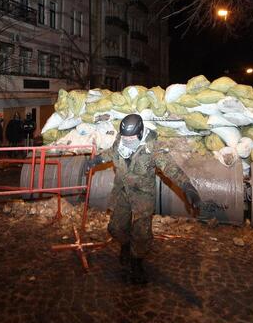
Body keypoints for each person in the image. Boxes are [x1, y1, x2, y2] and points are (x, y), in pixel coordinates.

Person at [84, 114, 204, 284]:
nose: (127, 140)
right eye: (124, 137)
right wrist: (95, 160)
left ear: (140, 133)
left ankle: (137, 262)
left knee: (141, 234)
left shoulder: (152, 147)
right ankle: (126, 245)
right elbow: (112, 152)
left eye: (131, 137)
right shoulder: (121, 139)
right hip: (123, 191)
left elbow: (170, 168)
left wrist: (187, 187)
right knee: (115, 228)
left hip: (142, 195)